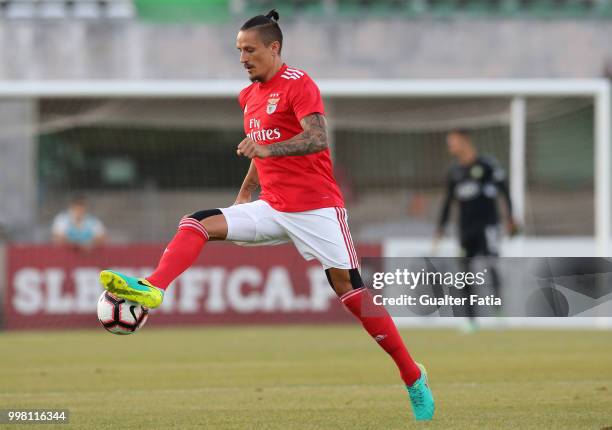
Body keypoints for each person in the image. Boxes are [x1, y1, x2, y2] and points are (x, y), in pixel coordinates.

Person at [99, 10, 434, 421]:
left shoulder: (299, 84)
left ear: (274, 48)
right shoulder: (249, 96)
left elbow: (316, 138)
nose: (243, 57)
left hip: (318, 209)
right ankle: (153, 288)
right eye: (239, 50)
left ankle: (412, 375)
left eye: (250, 49)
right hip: (272, 207)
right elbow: (260, 147)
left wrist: (268, 150)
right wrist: (244, 193)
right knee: (197, 222)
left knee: (354, 296)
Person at [435, 129, 517, 329]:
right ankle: (471, 320)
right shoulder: (454, 172)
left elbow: (504, 191)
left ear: (465, 141)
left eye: (453, 142)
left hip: (488, 226)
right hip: (465, 229)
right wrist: (441, 227)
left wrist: (510, 217)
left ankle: (498, 311)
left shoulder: (487, 165)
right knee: (465, 273)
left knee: (491, 266)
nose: (450, 147)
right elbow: (448, 201)